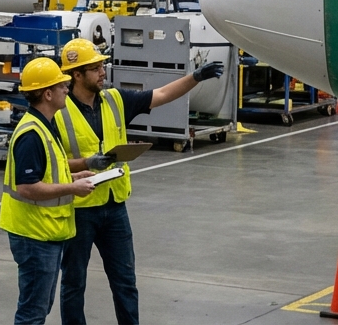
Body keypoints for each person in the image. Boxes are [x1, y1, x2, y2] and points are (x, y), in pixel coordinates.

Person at [54, 38, 224, 325]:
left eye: (101, 66)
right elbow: (51, 164)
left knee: (125, 282)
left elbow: (161, 95)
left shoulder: (115, 100)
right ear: (76, 75)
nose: (103, 72)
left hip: (115, 206)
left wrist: (195, 77)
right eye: (95, 68)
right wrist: (85, 163)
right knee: (73, 284)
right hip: (79, 207)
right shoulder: (58, 112)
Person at [3, 57, 97, 325]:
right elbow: (28, 187)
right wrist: (72, 187)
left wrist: (74, 175)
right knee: (32, 313)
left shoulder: (45, 124)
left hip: (44, 233)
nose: (67, 88)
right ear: (47, 93)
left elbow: (48, 169)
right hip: (33, 235)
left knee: (39, 308)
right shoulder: (31, 134)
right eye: (61, 85)